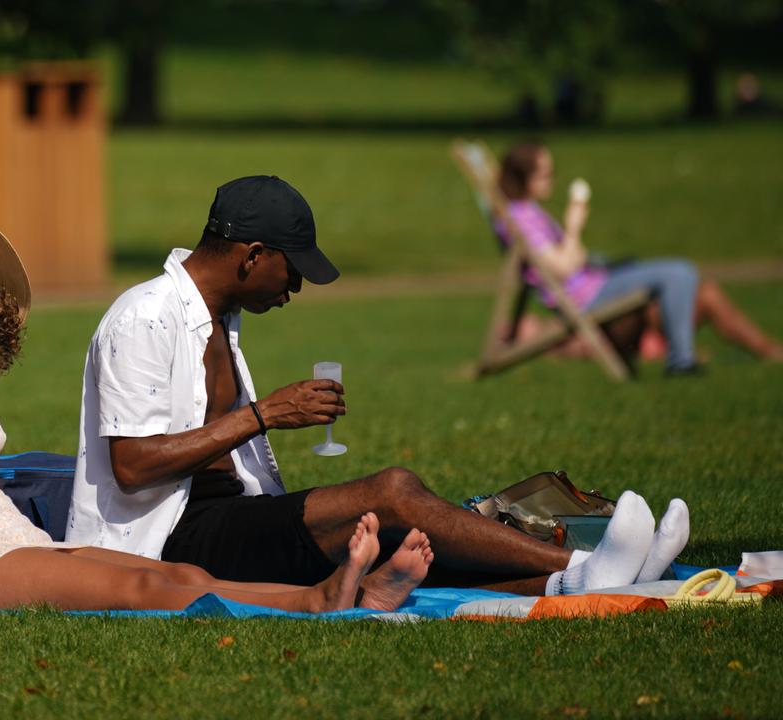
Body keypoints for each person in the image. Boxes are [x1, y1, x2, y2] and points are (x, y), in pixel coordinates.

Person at [0, 211, 433, 613]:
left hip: (7, 539)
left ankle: (327, 593)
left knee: (178, 575)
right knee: (136, 585)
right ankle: (322, 602)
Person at [67, 175, 690, 597]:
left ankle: (586, 582)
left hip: (226, 520)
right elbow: (132, 465)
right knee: (391, 492)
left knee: (408, 537)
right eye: (294, 270)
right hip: (161, 543)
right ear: (251, 255)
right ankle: (581, 568)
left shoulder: (216, 317)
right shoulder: (144, 317)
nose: (297, 289)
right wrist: (264, 414)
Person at [497, 140, 783, 374]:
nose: (552, 180)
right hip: (587, 296)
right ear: (523, 177)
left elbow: (575, 257)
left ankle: (766, 352)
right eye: (545, 174)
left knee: (702, 290)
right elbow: (563, 267)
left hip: (596, 282)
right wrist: (573, 226)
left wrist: (575, 241)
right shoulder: (521, 218)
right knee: (679, 272)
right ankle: (681, 361)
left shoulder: (529, 213)